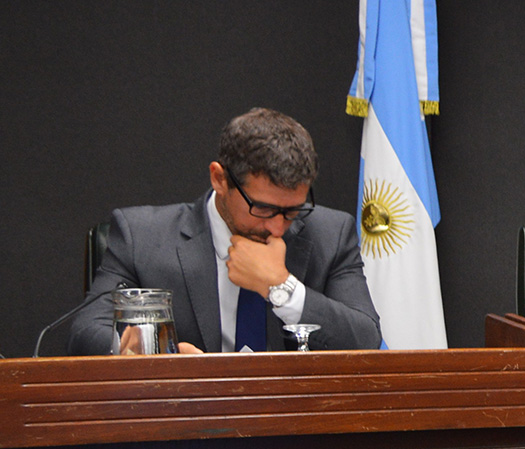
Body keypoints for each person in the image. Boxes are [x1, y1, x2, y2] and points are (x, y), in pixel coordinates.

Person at [68, 107, 381, 355]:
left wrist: (280, 286)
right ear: (219, 179)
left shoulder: (331, 234)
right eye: (263, 208)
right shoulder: (142, 237)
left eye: (292, 210)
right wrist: (156, 352)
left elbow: (366, 339)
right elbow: (85, 334)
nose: (277, 227)